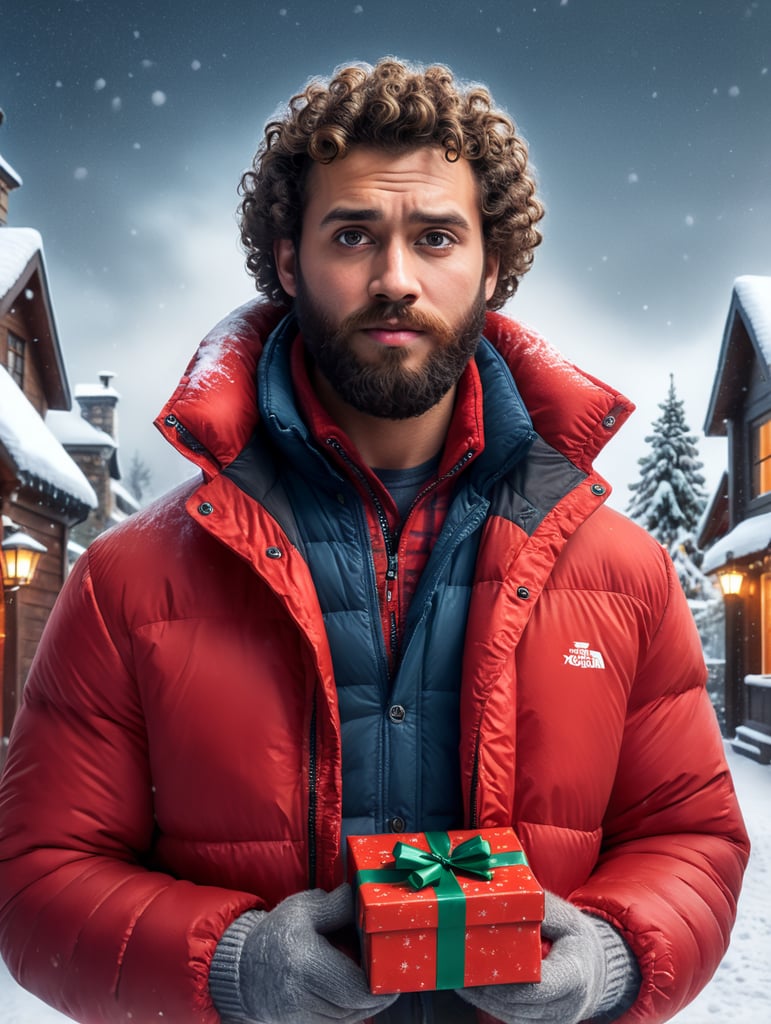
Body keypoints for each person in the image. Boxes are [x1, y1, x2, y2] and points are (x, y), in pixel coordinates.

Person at [0, 58, 749, 1024]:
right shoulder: (126, 580)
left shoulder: (626, 576)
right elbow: (35, 880)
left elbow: (693, 840)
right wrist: (233, 963)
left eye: (435, 237)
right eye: (353, 234)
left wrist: (611, 954)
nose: (394, 278)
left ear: (491, 266)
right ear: (286, 259)